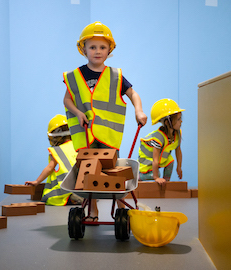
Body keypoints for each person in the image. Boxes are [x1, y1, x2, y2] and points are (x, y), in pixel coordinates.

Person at [63, 21, 147, 222]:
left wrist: (139, 110)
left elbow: (132, 93)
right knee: (88, 174)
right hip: (86, 134)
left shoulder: (115, 76)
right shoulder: (76, 75)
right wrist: (77, 112)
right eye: (92, 47)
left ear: (110, 50)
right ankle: (93, 211)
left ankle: (121, 206)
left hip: (108, 136)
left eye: (102, 47)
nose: (97, 51)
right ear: (83, 49)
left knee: (112, 171)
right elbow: (67, 99)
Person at [25, 114, 83, 206]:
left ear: (54, 136)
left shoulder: (57, 151)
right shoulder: (79, 146)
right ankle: (84, 198)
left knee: (50, 197)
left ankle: (71, 198)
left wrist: (37, 181)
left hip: (66, 189)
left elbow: (50, 168)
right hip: (83, 186)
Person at [138, 98, 185, 186]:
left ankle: (165, 183)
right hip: (147, 161)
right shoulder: (158, 138)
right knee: (157, 175)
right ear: (168, 122)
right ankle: (138, 176)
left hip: (161, 159)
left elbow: (178, 151)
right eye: (178, 119)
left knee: (171, 161)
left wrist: (179, 167)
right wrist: (156, 177)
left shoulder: (177, 133)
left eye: (180, 118)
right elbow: (155, 160)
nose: (181, 121)